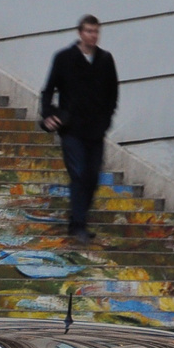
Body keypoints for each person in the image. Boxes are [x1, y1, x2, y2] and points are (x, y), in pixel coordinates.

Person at [40, 15, 120, 244]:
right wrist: (48, 115)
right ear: (80, 33)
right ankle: (78, 225)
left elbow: (112, 93)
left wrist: (106, 119)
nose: (93, 36)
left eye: (96, 32)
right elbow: (48, 90)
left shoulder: (105, 60)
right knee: (79, 173)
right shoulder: (65, 58)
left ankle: (78, 218)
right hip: (72, 129)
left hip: (95, 131)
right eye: (88, 31)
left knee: (92, 177)